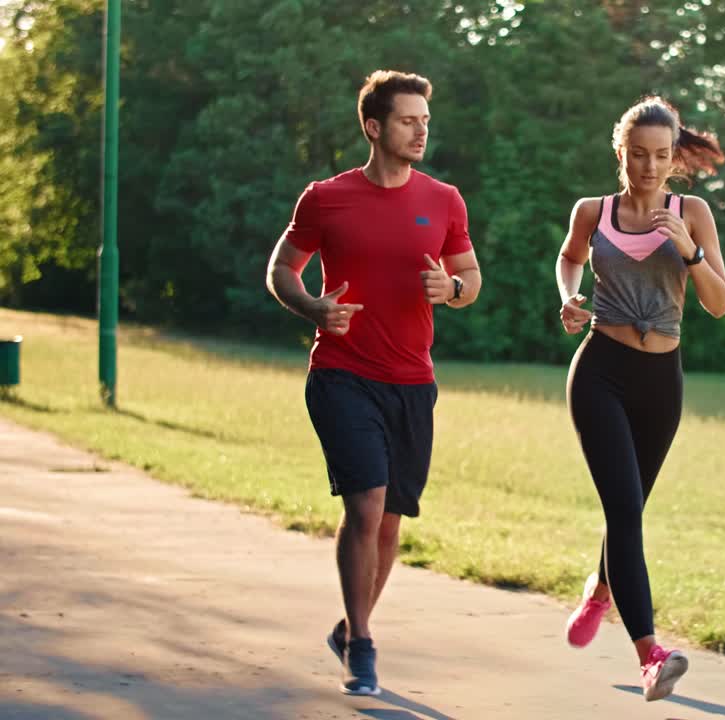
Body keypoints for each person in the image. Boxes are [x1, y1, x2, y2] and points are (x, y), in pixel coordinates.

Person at [265, 70, 481, 696]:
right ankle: (362, 643)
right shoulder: (325, 198)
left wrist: (454, 290)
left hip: (413, 380)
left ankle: (349, 624)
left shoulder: (445, 200)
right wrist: (311, 308)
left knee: (388, 521)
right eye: (409, 120)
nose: (421, 131)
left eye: (425, 121)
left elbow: (470, 279)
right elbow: (283, 267)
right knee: (364, 506)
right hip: (341, 373)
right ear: (374, 127)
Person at [555, 96, 725, 702]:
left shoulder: (693, 212)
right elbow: (570, 259)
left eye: (660, 156)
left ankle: (601, 591)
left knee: (629, 509)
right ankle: (651, 655)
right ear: (620, 153)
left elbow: (717, 301)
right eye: (637, 155)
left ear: (673, 157)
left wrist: (690, 250)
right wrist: (569, 298)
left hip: (662, 381)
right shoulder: (593, 211)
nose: (649, 167)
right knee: (625, 510)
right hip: (601, 371)